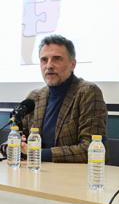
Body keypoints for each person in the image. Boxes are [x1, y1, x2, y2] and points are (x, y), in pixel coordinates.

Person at [19, 35, 107, 163]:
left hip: (74, 178)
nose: (49, 65)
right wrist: (13, 145)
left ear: (73, 64)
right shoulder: (34, 97)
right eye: (44, 60)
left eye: (57, 59)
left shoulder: (88, 92)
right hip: (36, 173)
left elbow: (90, 149)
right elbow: (18, 140)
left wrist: (37, 153)